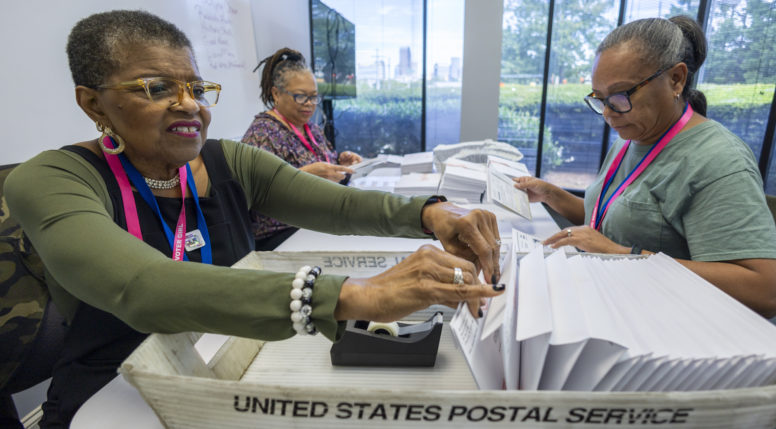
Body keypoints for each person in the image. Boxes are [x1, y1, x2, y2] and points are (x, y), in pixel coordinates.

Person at [2, 11, 502, 428]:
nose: (189, 105)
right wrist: (354, 294)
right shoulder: (50, 179)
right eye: (156, 88)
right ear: (93, 102)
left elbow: (340, 206)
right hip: (117, 394)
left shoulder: (230, 160)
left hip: (230, 366)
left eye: (195, 87)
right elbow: (143, 287)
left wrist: (433, 212)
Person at [514, 15, 776, 318]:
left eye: (621, 95)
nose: (608, 112)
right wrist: (552, 194)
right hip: (615, 302)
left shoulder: (717, 160)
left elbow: (768, 291)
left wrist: (622, 256)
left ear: (676, 79)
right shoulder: (631, 138)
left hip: (670, 324)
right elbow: (613, 221)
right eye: (600, 98)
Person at [242, 48, 362, 250]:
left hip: (317, 223)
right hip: (282, 235)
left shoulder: (312, 129)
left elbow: (326, 167)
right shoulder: (263, 133)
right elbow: (254, 193)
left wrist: (341, 163)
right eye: (300, 96)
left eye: (314, 96)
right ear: (276, 93)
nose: (309, 104)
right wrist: (303, 177)